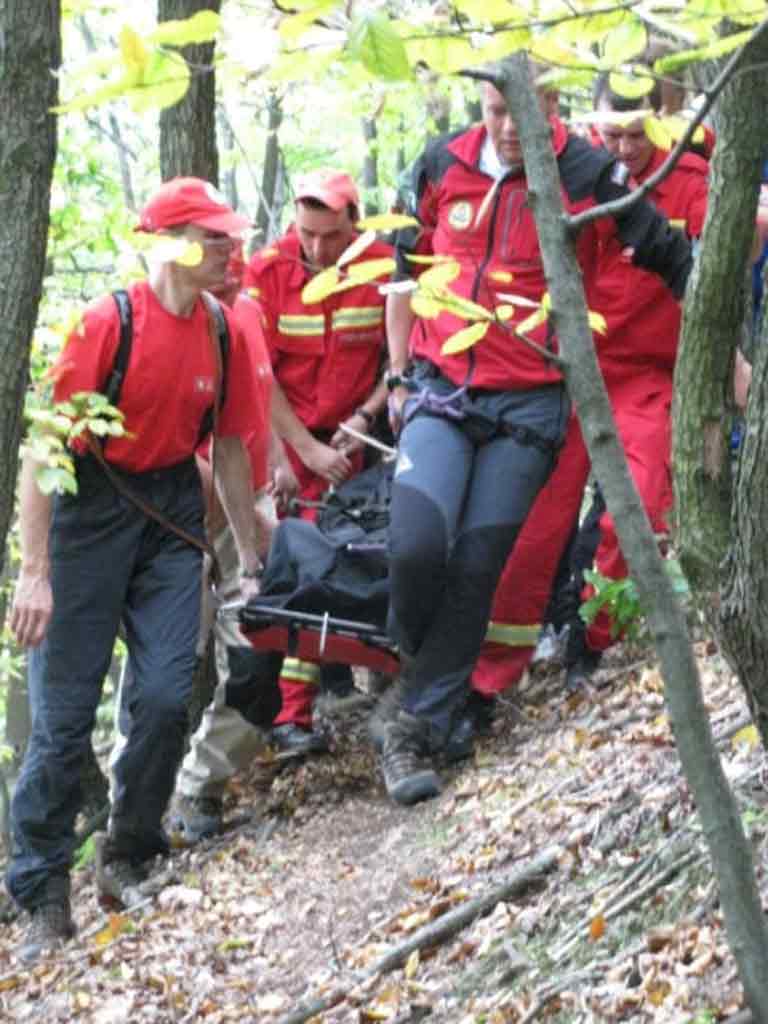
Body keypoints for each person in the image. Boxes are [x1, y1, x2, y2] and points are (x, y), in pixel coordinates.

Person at [376, 66, 695, 806]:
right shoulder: (438, 164)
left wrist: (729, 355)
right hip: (442, 386)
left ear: (554, 105)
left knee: (485, 559)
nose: (512, 127)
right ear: (480, 105)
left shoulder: (585, 168)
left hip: (531, 397)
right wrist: (398, 377)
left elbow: (665, 251)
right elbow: (403, 271)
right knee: (419, 544)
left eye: (529, 110)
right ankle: (421, 683)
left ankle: (416, 725)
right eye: (496, 111)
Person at [7, 177, 266, 963]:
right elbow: (46, 452)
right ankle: (42, 892)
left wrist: (244, 562)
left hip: (169, 517)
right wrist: (36, 572)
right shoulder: (106, 324)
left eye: (230, 236)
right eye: (215, 237)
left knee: (161, 698)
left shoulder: (224, 331)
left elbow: (228, 449)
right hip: (88, 510)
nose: (230, 250)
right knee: (59, 722)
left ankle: (130, 853)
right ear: (174, 242)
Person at [471, 70, 712, 699]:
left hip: (644, 378)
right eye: (612, 133)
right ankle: (489, 675)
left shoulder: (688, 181)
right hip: (561, 372)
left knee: (636, 504)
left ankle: (588, 640)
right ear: (591, 122)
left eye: (637, 134)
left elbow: (718, 262)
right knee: (532, 521)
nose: (625, 148)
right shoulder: (563, 169)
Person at [242, 169, 392, 754]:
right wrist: (296, 452)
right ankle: (291, 718)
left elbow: (398, 358)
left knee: (363, 562)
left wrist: (366, 418)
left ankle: (380, 677)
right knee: (298, 575)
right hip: (286, 445)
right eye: (307, 234)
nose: (317, 248)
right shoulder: (268, 272)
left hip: (355, 444)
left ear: (354, 223)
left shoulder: (380, 266)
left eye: (330, 236)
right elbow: (259, 377)